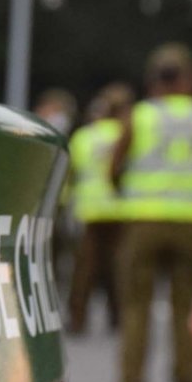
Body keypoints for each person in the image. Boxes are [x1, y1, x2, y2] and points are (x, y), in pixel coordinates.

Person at [109, 43, 192, 382]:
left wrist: (129, 196)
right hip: (191, 224)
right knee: (184, 314)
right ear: (190, 79)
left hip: (143, 222)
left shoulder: (139, 116)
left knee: (136, 311)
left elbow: (114, 168)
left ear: (153, 80)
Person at [66, 83, 134, 334]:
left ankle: (77, 319)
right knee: (118, 267)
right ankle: (119, 318)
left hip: (90, 210)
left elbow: (71, 173)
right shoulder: (127, 134)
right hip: (122, 209)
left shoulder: (84, 137)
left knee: (84, 270)